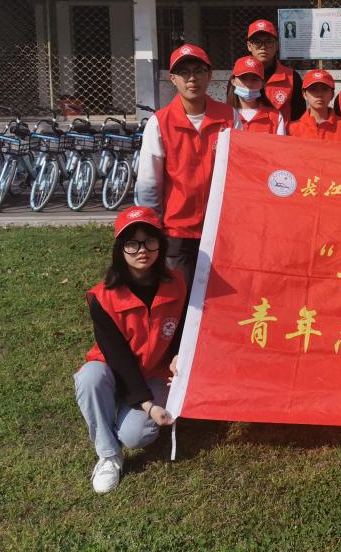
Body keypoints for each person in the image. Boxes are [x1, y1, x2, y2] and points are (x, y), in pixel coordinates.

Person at [73, 206, 186, 494]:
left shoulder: (178, 284)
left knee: (136, 436)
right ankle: (109, 455)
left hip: (154, 372)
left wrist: (177, 354)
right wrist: (149, 405)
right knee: (89, 378)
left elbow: (182, 328)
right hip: (113, 369)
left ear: (160, 244)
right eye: (132, 243)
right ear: (120, 249)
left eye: (150, 241)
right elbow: (119, 358)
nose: (142, 250)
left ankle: (117, 413)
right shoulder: (102, 297)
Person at [135, 43, 234, 289]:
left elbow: (241, 175)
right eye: (184, 72)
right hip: (177, 231)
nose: (192, 79)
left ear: (209, 75)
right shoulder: (160, 123)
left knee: (221, 297)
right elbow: (149, 183)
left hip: (221, 228)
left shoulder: (230, 118)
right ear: (173, 79)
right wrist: (152, 227)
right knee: (179, 296)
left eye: (199, 71)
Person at [241, 19, 306, 123]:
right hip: (248, 133)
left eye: (268, 42)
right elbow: (232, 114)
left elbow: (299, 119)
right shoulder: (239, 78)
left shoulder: (292, 77)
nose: (263, 47)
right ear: (249, 46)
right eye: (257, 42)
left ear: (276, 45)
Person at [289, 69, 341, 142]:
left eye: (324, 89)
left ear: (332, 94)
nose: (319, 94)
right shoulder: (292, 129)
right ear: (304, 94)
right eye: (313, 89)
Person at [227, 55, 286, 134]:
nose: (249, 84)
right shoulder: (224, 115)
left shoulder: (275, 116)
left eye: (254, 79)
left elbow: (280, 142)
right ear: (233, 81)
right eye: (243, 79)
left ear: (262, 83)